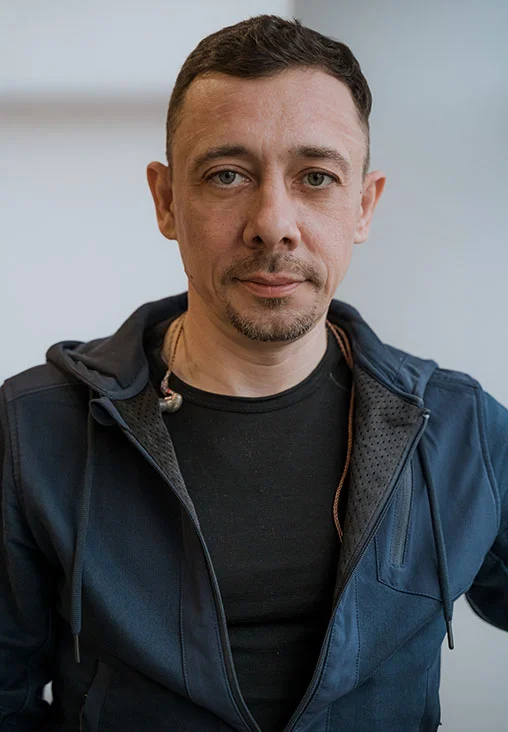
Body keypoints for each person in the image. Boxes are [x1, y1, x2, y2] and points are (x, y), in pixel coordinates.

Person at [1, 13, 506, 732]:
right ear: (166, 200)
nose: (274, 222)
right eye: (227, 175)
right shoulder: (32, 431)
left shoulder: (462, 430)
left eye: (316, 177)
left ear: (364, 206)